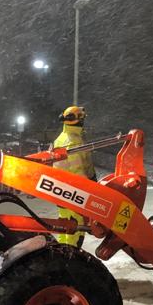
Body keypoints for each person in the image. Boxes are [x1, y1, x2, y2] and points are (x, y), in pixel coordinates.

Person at [50, 105, 95, 246]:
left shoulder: (61, 138)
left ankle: (62, 253)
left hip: (60, 190)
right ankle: (72, 256)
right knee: (76, 227)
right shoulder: (74, 141)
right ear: (79, 120)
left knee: (65, 224)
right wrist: (91, 188)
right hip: (73, 193)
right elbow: (77, 171)